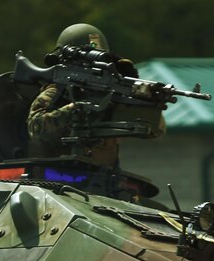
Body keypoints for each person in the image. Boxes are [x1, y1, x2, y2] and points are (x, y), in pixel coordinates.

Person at [26, 24, 163, 167]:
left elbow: (156, 130)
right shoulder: (56, 91)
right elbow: (36, 129)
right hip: (58, 176)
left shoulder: (109, 95)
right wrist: (76, 108)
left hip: (102, 180)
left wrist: (134, 92)